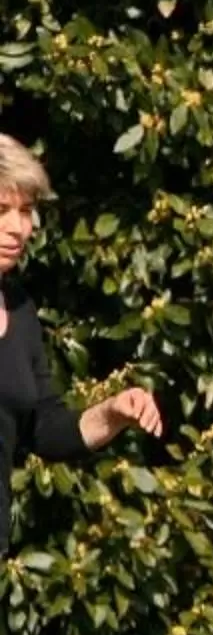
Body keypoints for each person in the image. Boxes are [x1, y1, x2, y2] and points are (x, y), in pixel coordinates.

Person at [0, 138, 165, 565]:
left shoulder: (19, 311)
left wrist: (113, 412)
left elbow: (44, 428)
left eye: (25, 210)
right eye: (2, 211)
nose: (19, 227)